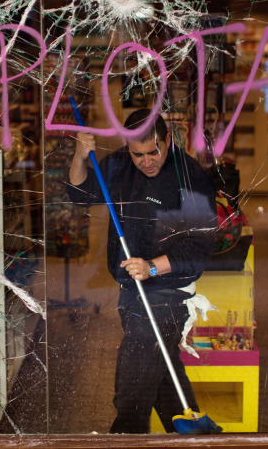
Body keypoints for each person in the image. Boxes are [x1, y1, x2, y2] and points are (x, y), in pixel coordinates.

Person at [66, 108, 217, 434]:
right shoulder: (120, 165)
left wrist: (151, 267)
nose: (147, 160)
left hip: (168, 297)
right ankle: (197, 437)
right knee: (165, 385)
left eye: (154, 152)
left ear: (167, 141)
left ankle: (123, 441)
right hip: (133, 295)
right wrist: (80, 157)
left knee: (131, 393)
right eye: (138, 154)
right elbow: (80, 194)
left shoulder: (190, 178)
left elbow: (200, 250)